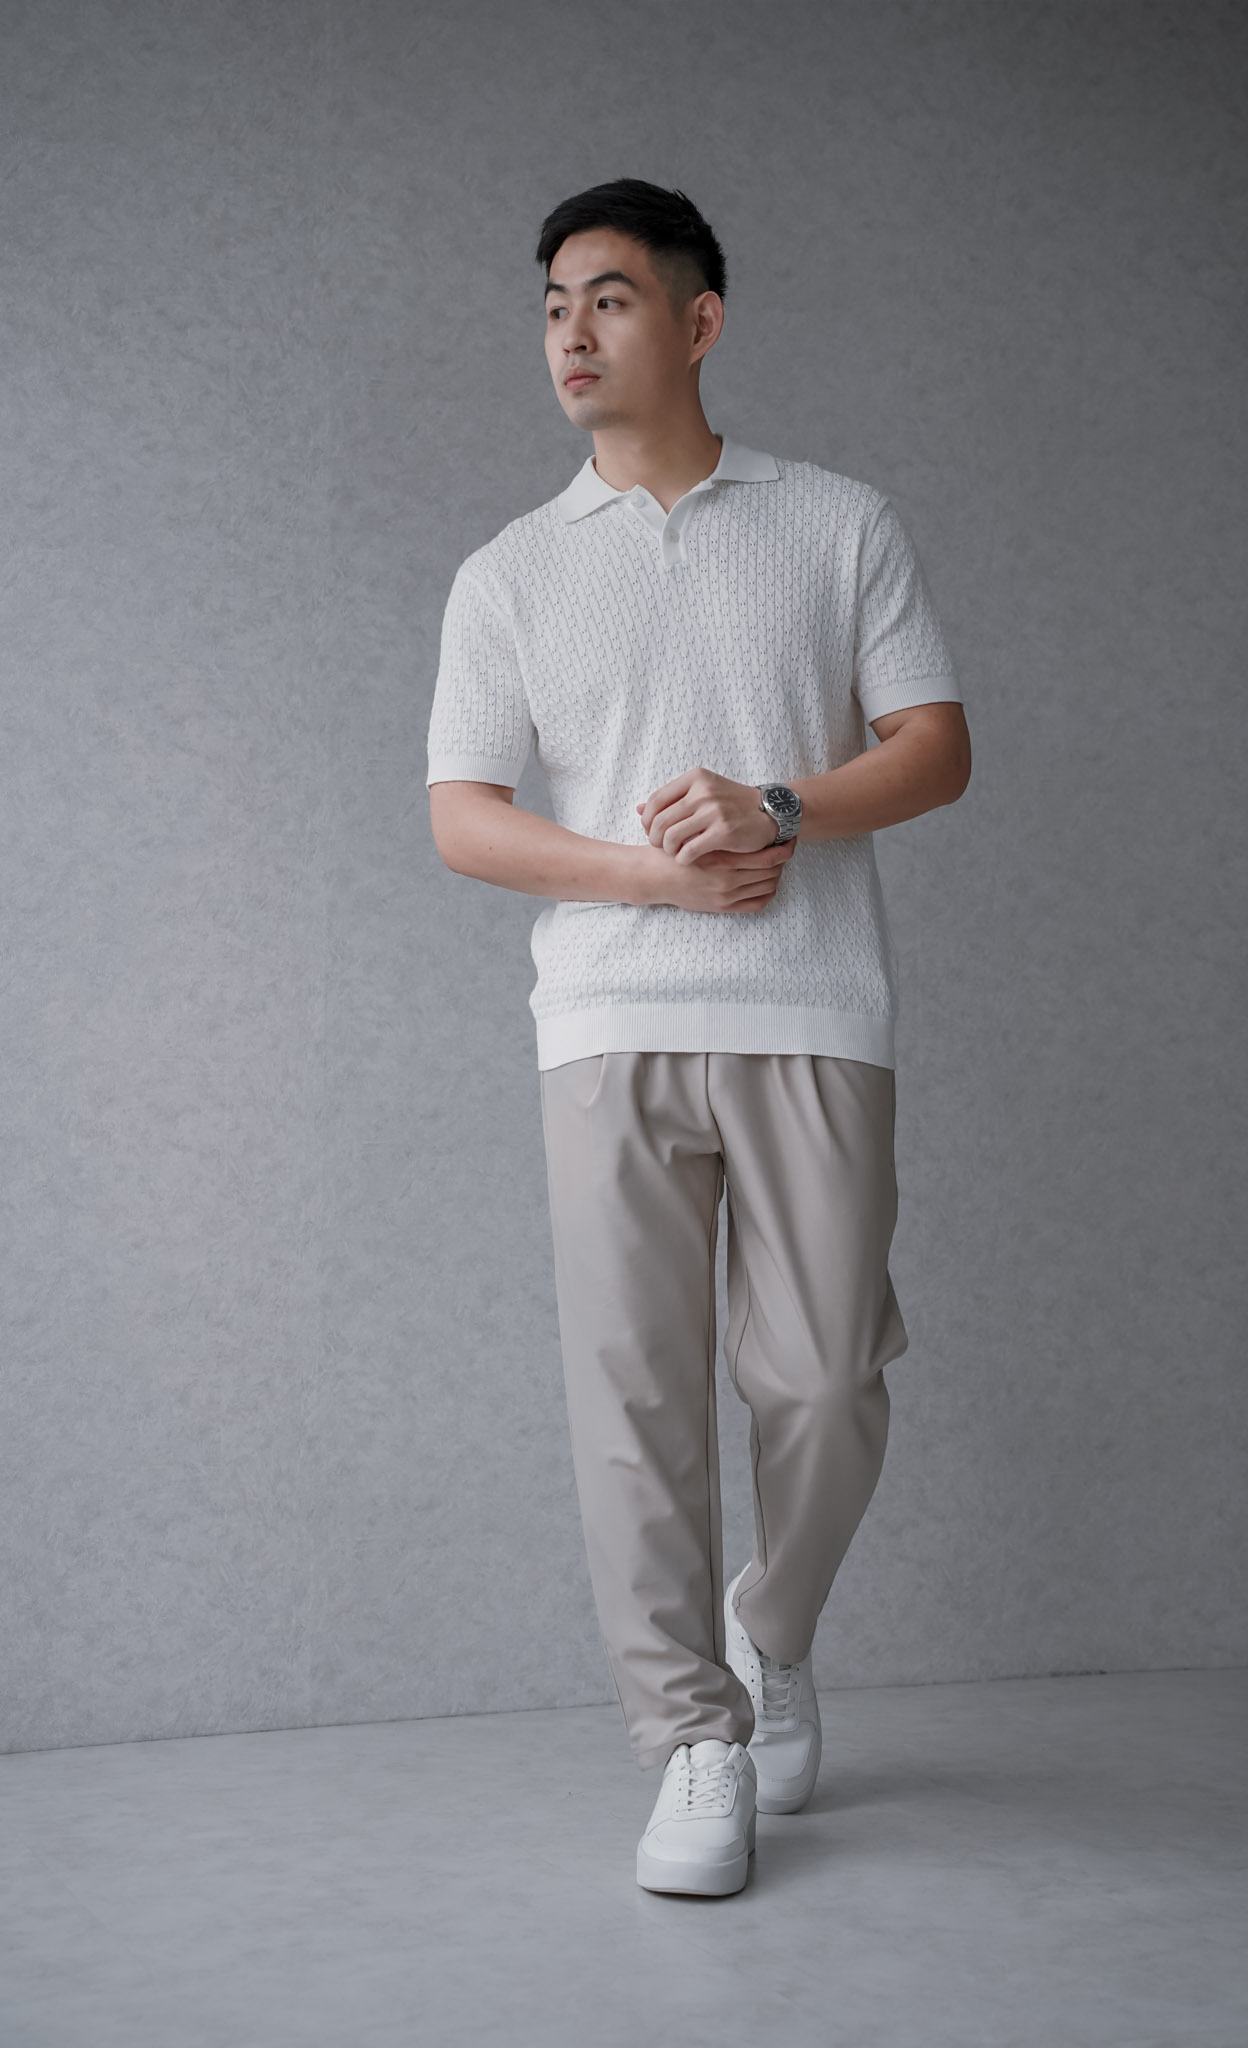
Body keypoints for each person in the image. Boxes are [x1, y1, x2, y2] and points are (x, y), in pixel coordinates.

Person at [426, 177, 971, 1896]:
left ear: (698, 320)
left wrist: (778, 805)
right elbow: (460, 814)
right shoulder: (510, 573)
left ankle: (771, 1628)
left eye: (606, 299)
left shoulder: (837, 524)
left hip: (813, 1006)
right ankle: (689, 1743)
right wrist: (648, 878)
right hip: (604, 1018)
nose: (569, 336)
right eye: (551, 308)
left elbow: (935, 747)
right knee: (634, 1401)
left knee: (824, 1378)